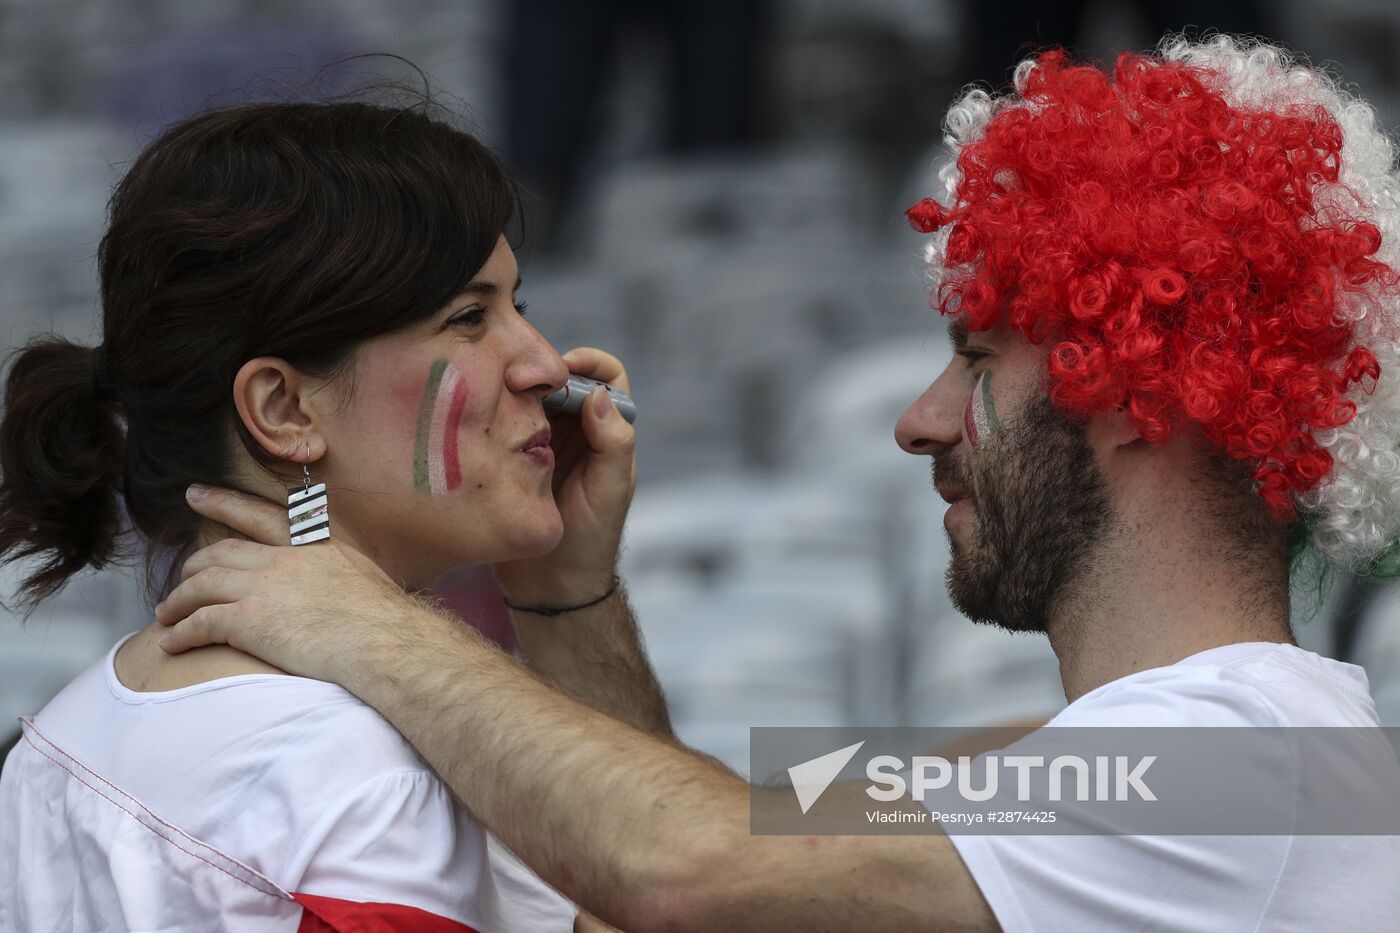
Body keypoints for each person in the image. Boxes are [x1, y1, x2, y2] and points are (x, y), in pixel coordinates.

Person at [149, 35, 1400, 931]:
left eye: (975, 364)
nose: (918, 423)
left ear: (1132, 398)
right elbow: (726, 833)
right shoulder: (1158, 762)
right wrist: (565, 598)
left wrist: (369, 630)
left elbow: (684, 868)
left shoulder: (1252, 765)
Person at [0, 97, 654, 931]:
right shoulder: (371, 776)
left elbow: (675, 864)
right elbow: (687, 876)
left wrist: (570, 592)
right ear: (284, 410)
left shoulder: (60, 733)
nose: (544, 363)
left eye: (518, 306)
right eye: (469, 316)